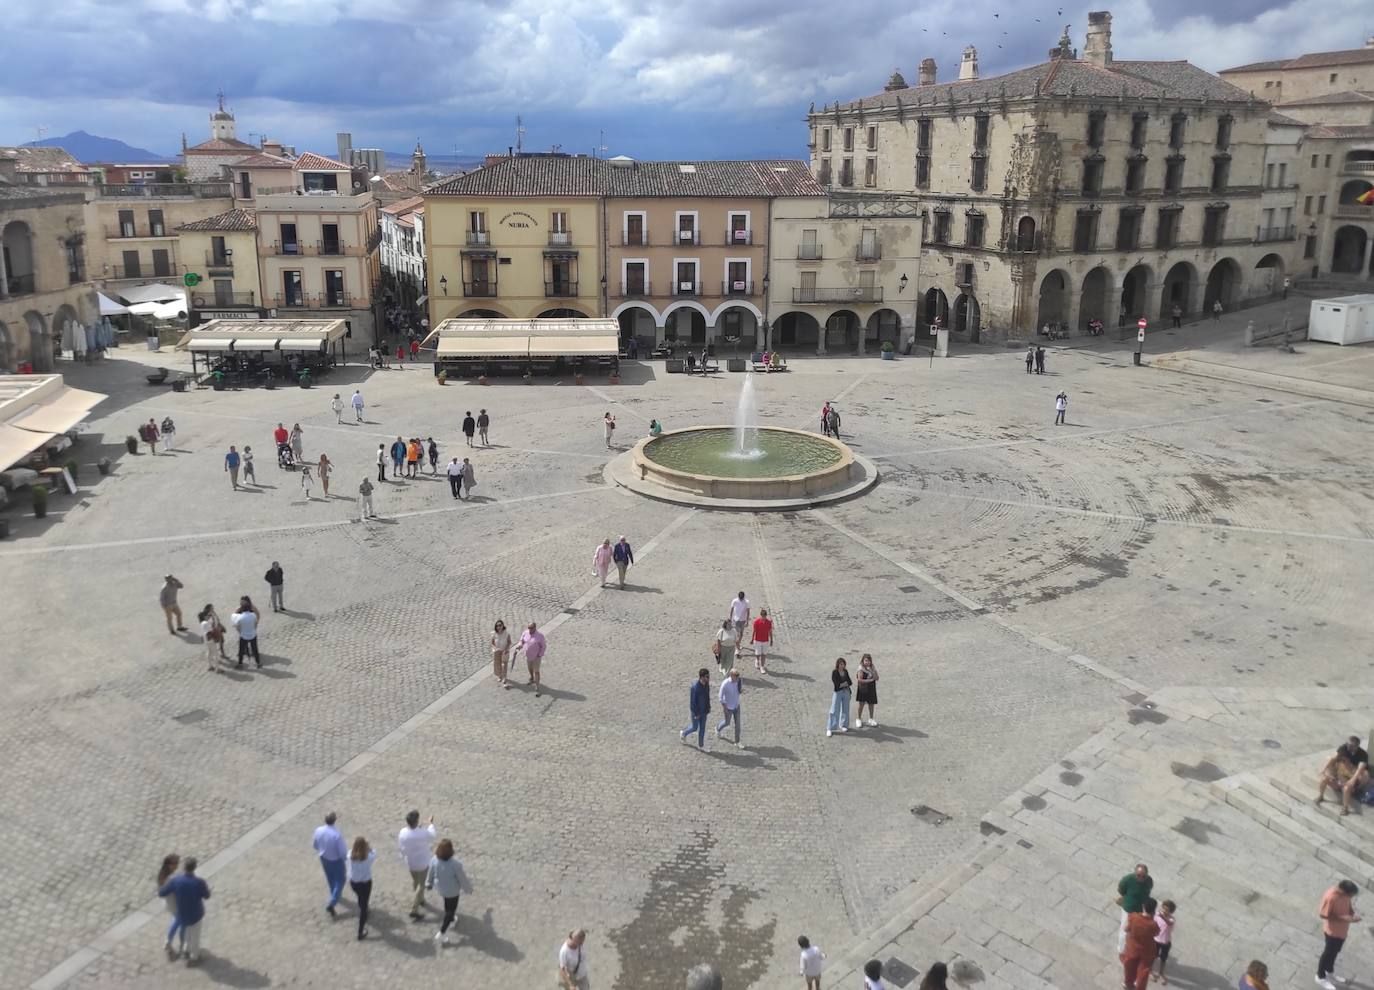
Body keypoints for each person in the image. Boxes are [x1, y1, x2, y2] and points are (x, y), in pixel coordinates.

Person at [158, 856, 210, 965]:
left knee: (186, 932)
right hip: (196, 914)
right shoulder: (199, 882)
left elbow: (162, 893)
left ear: (184, 867)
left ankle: (185, 949)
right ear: (194, 868)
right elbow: (206, 896)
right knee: (195, 936)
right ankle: (194, 958)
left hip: (182, 914)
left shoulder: (175, 880)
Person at [1317, 879, 1360, 988]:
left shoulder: (1345, 895)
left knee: (1335, 952)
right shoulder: (1331, 897)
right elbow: (1323, 915)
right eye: (1351, 895)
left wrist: (1352, 913)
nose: (1351, 897)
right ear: (1344, 891)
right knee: (1328, 953)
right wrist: (1343, 918)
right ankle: (1320, 976)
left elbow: (1348, 905)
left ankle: (1329, 971)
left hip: (1342, 931)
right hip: (1332, 932)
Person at [427, 838, 468, 945]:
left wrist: (429, 883)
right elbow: (462, 878)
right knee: (451, 910)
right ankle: (442, 932)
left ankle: (452, 919)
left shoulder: (434, 860)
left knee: (447, 903)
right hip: (452, 891)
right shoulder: (456, 864)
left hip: (441, 888)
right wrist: (468, 889)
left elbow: (431, 872)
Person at [398, 811, 437, 919]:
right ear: (416, 821)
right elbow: (432, 836)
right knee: (422, 885)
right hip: (422, 863)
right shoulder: (422, 833)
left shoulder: (403, 832)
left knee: (415, 881)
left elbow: (401, 847)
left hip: (411, 862)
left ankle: (421, 899)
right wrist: (431, 824)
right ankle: (414, 908)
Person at [1317, 736, 1370, 815]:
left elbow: (1360, 769)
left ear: (1357, 746)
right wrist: (1324, 770)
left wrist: (1352, 781)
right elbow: (1333, 758)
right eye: (1347, 744)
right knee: (1324, 779)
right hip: (1340, 774)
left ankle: (1345, 808)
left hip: (1352, 775)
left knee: (1347, 788)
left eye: (1351, 746)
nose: (1348, 747)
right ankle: (1320, 796)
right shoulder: (1344, 748)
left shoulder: (1363, 754)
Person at [312, 811, 348, 918]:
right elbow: (342, 852)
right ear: (335, 820)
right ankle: (332, 902)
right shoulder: (336, 835)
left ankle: (334, 893)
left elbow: (315, 844)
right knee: (340, 880)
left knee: (330, 878)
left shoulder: (318, 830)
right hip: (336, 860)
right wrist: (345, 859)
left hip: (324, 858)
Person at [1121, 896, 1159, 990]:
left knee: (1129, 965)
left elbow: (1126, 929)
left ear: (1143, 906)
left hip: (1132, 946)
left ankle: (1128, 984)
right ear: (1154, 910)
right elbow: (1156, 933)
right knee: (1143, 971)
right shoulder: (1153, 924)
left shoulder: (1133, 917)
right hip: (1147, 950)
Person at [1115, 863, 1154, 952]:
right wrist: (1127, 898)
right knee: (1124, 929)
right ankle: (1121, 949)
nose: (1141, 878)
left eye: (1143, 876)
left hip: (1141, 910)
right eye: (1138, 875)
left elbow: (1149, 889)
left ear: (1147, 874)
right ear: (1135, 873)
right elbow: (1121, 890)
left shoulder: (1149, 880)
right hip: (1129, 909)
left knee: (1137, 930)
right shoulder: (1128, 879)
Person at [348, 836, 376, 940]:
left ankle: (363, 908)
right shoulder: (369, 857)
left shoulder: (350, 855)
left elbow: (352, 851)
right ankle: (360, 931)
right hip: (365, 883)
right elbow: (374, 852)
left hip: (354, 882)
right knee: (364, 904)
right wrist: (368, 847)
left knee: (360, 897)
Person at [680, 668, 712, 750]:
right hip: (696, 712)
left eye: (708, 676)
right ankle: (684, 733)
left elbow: (707, 697)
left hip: (704, 711)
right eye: (707, 676)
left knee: (702, 728)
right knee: (694, 727)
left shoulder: (706, 685)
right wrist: (696, 714)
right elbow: (693, 702)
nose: (708, 678)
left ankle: (701, 745)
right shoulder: (695, 688)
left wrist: (708, 707)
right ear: (702, 677)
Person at [157, 853, 182, 955]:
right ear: (169, 865)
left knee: (176, 919)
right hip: (174, 902)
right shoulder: (171, 878)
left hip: (169, 902)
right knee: (178, 921)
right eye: (175, 863)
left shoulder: (162, 875)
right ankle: (168, 941)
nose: (177, 865)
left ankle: (169, 941)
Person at [513, 621, 547, 697]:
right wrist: (519, 645)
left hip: (536, 656)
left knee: (536, 671)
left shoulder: (540, 636)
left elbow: (543, 646)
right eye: (528, 627)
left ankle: (537, 686)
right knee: (530, 668)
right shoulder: (525, 633)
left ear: (535, 627)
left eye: (531, 628)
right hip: (528, 655)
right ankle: (532, 678)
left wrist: (540, 654)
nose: (529, 629)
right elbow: (522, 640)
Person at [717, 667, 743, 748]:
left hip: (736, 706)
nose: (738, 678)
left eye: (738, 676)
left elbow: (739, 690)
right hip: (728, 707)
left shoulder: (739, 681)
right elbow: (720, 697)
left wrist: (741, 691)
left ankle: (737, 741)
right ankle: (718, 728)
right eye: (736, 676)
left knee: (738, 725)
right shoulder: (725, 684)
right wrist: (724, 707)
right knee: (727, 722)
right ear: (731, 675)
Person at [231, 595, 261, 668]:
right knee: (254, 649)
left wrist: (240, 631)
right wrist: (254, 628)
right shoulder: (252, 615)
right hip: (252, 634)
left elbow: (235, 622)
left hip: (244, 635)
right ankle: (258, 663)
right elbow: (255, 622)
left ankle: (240, 664)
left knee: (242, 650)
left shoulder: (240, 617)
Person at [1152, 899, 1176, 985]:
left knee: (1163, 958)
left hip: (1166, 942)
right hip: (1156, 940)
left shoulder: (1172, 919)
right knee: (1153, 956)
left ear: (1171, 911)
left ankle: (1161, 972)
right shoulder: (1157, 916)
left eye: (1167, 910)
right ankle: (1151, 970)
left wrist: (1161, 916)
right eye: (1164, 908)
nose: (1165, 911)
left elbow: (1169, 923)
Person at [827, 657, 852, 737]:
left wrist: (843, 684)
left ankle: (843, 725)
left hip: (846, 692)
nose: (842, 666)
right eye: (841, 664)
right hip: (838, 692)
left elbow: (849, 682)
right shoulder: (835, 672)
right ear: (837, 665)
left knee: (845, 709)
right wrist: (844, 684)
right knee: (834, 709)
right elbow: (837, 684)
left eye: (843, 664)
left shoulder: (845, 671)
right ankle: (830, 728)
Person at [198, 604, 227, 670]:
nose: (209, 617)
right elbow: (211, 631)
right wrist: (216, 633)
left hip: (206, 639)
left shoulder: (202, 623)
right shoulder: (206, 623)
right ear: (204, 617)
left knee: (209, 652)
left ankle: (210, 666)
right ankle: (217, 668)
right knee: (215, 653)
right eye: (207, 616)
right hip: (210, 639)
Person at [855, 653, 878, 726]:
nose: (867, 662)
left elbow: (877, 678)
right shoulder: (860, 668)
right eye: (866, 660)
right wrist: (869, 680)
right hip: (863, 688)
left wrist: (872, 671)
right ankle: (858, 719)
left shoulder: (872, 667)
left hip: (871, 688)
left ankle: (871, 719)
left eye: (869, 661)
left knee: (871, 703)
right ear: (863, 661)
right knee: (861, 704)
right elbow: (859, 679)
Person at [751, 608, 774, 674]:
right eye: (762, 616)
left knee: (764, 654)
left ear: (766, 616)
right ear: (761, 615)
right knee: (758, 653)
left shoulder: (769, 622)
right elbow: (754, 631)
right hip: (757, 640)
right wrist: (752, 639)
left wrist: (771, 640)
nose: (763, 617)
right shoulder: (756, 622)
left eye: (765, 616)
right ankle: (757, 660)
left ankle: (762, 666)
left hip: (765, 640)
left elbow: (770, 632)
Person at [492, 620, 512, 687]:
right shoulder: (494, 633)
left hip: (504, 651)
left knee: (504, 665)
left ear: (503, 625)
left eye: (500, 625)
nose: (499, 627)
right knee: (498, 664)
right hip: (497, 651)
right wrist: (495, 648)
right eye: (497, 626)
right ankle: (500, 676)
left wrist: (506, 649)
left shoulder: (507, 633)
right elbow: (492, 643)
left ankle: (504, 677)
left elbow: (509, 642)